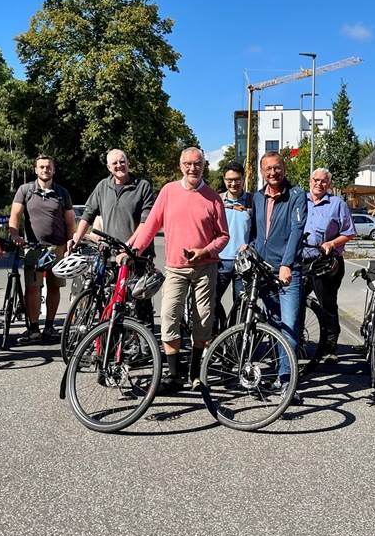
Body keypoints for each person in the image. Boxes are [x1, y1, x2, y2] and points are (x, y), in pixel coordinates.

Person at [131, 147, 229, 392]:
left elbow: (223, 236)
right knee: (169, 316)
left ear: (204, 166)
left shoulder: (213, 197)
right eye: (188, 163)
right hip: (175, 268)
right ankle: (174, 375)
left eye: (197, 164)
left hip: (205, 267)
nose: (192, 168)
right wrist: (133, 251)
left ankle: (195, 373)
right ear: (180, 165)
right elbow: (151, 226)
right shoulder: (168, 191)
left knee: (203, 319)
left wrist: (204, 251)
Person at [68, 148, 155, 323]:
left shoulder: (142, 186)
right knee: (109, 299)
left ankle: (145, 346)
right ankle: (111, 341)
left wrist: (129, 246)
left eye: (122, 161)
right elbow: (88, 215)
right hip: (110, 255)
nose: (119, 165)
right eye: (114, 163)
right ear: (108, 167)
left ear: (128, 162)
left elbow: (146, 223)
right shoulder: (102, 186)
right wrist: (76, 239)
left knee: (138, 300)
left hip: (137, 254)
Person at [249, 151, 307, 401]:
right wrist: (248, 248)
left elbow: (296, 230)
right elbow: (253, 230)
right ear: (262, 171)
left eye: (277, 168)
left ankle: (287, 381)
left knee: (290, 326)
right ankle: (278, 371)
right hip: (263, 270)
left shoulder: (296, 195)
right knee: (273, 324)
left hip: (287, 271)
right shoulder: (257, 197)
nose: (273, 173)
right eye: (268, 169)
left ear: (284, 168)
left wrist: (287, 263)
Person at [8, 154, 76, 344]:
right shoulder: (25, 190)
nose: (45, 170)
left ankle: (49, 326)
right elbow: (15, 214)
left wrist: (72, 242)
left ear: (53, 170)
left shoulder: (62, 193)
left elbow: (70, 221)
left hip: (58, 247)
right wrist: (14, 235)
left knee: (55, 287)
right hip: (34, 247)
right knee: (33, 288)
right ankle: (33, 328)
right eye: (42, 167)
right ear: (35, 169)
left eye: (48, 167)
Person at [302, 167, 356, 364]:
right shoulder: (301, 201)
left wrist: (332, 243)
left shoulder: (337, 204)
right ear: (310, 181)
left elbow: (349, 232)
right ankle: (298, 344)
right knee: (297, 302)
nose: (319, 184)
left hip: (326, 262)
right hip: (302, 261)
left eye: (324, 181)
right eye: (316, 180)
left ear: (329, 184)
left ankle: (330, 348)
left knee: (327, 305)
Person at [216, 161, 252, 304]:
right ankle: (221, 326)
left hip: (244, 263)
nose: (233, 183)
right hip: (220, 262)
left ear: (243, 178)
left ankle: (235, 327)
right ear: (224, 180)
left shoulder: (252, 200)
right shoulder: (216, 200)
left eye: (237, 179)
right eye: (229, 180)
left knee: (241, 305)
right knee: (211, 302)